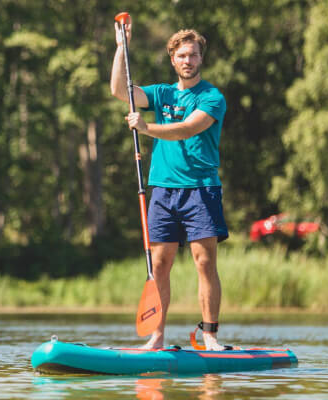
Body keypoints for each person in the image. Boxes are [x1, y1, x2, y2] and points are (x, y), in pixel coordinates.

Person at [110, 19, 229, 351]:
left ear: (200, 58)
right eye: (181, 56)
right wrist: (122, 48)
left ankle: (210, 337)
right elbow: (120, 91)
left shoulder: (212, 97)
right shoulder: (161, 93)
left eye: (192, 55)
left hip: (201, 188)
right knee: (159, 266)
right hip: (162, 190)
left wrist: (145, 128)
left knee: (204, 263)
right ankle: (157, 337)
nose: (187, 61)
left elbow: (187, 129)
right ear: (173, 60)